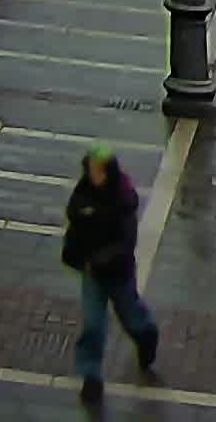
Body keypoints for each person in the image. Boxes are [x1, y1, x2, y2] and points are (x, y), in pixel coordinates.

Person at [61, 145, 160, 400]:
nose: (92, 174)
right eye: (90, 168)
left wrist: (102, 257)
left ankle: (146, 335)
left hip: (118, 272)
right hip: (93, 272)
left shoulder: (122, 199)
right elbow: (75, 220)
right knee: (93, 324)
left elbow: (126, 241)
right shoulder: (84, 193)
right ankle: (91, 376)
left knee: (130, 313)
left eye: (96, 169)